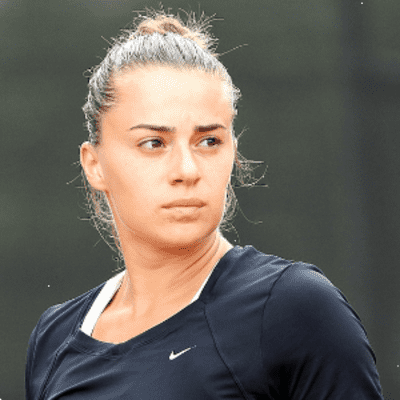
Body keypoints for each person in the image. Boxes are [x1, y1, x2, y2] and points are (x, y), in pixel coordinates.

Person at [25, 7, 384, 399]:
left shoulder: (295, 308)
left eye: (209, 141)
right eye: (153, 143)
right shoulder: (54, 337)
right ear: (94, 165)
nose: (187, 169)